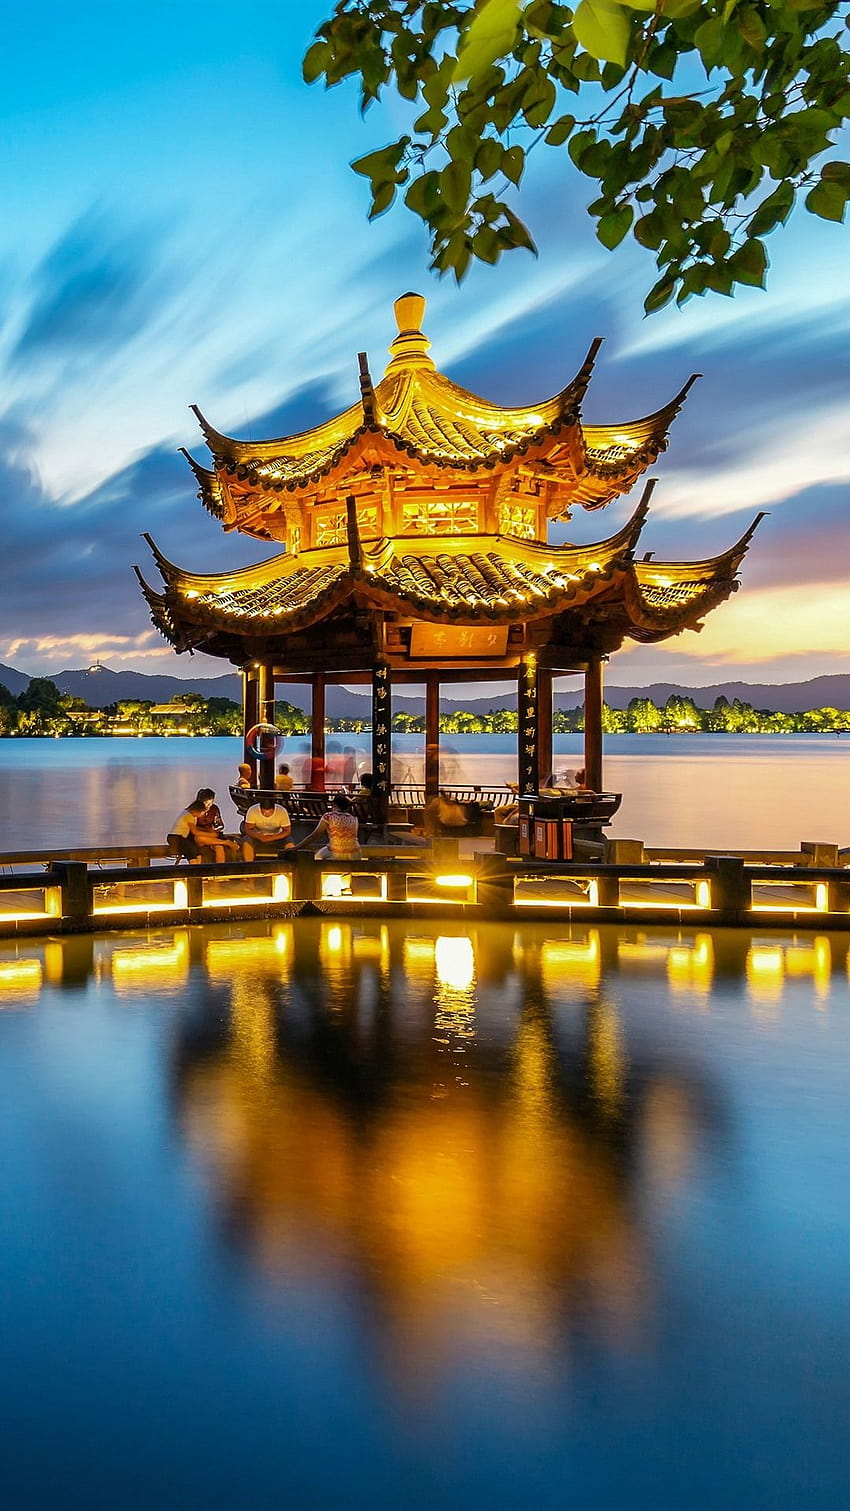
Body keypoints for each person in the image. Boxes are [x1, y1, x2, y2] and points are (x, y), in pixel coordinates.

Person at [295, 792, 360, 860]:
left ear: (334, 805)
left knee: (317, 857)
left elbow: (315, 835)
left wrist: (297, 847)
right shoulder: (354, 818)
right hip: (355, 854)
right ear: (347, 808)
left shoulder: (328, 816)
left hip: (336, 853)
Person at [168, 801, 235, 864]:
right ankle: (194, 871)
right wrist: (211, 834)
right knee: (192, 855)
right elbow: (195, 832)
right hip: (177, 838)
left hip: (181, 838)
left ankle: (199, 870)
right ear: (197, 811)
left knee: (197, 854)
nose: (202, 815)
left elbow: (195, 828)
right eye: (202, 813)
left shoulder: (190, 815)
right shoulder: (188, 816)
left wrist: (207, 830)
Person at [241, 797, 294, 862]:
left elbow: (287, 830)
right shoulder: (253, 810)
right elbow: (248, 829)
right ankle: (249, 864)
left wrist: (274, 837)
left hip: (277, 837)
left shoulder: (282, 811)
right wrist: (258, 836)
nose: (267, 815)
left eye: (270, 812)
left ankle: (290, 863)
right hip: (258, 837)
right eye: (264, 813)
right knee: (247, 841)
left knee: (289, 842)